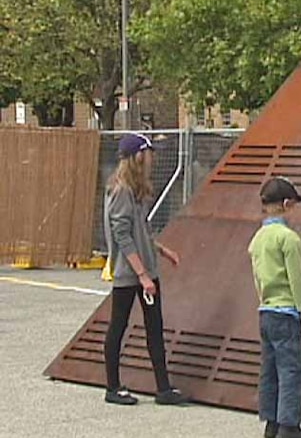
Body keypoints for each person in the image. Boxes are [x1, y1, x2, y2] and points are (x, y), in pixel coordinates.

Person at [103, 133, 189, 406]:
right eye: (149, 152)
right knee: (118, 326)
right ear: (138, 156)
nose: (153, 157)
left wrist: (162, 251)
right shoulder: (121, 191)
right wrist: (141, 275)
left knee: (155, 327)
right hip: (129, 273)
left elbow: (142, 230)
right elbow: (122, 235)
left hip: (147, 270)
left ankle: (163, 388)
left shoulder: (136, 189)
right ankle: (113, 387)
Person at [248, 177, 301, 438]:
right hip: (287, 313)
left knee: (269, 370)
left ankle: (271, 423)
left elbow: (257, 276)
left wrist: (264, 299)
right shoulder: (289, 239)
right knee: (291, 370)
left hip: (266, 311)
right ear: (287, 204)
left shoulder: (258, 238)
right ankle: (289, 426)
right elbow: (296, 279)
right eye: (295, 205)